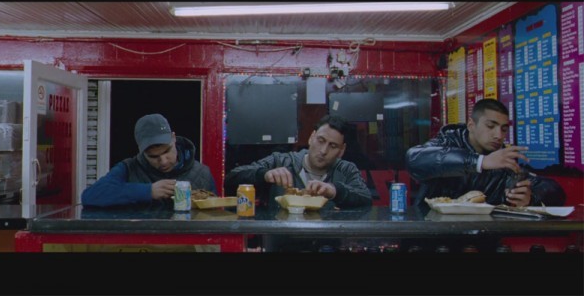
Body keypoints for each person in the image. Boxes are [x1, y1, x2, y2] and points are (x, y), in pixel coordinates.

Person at [406, 98, 565, 207]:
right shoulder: (448, 141)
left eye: (503, 129)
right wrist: (480, 162)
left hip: (482, 240)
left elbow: (553, 190)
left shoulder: (502, 160)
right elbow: (414, 159)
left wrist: (530, 199)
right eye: (490, 126)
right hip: (433, 237)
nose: (498, 135)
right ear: (471, 125)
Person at [224, 114, 373, 209]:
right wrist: (264, 174)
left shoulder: (346, 169)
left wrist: (334, 191)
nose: (323, 151)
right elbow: (232, 177)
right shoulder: (281, 160)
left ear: (341, 150)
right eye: (321, 141)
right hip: (281, 241)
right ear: (311, 137)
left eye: (333, 146)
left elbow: (365, 198)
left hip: (327, 241)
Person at [81, 113, 216, 207]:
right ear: (141, 150)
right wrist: (147, 191)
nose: (163, 161)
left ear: (174, 138)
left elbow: (215, 216)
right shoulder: (129, 168)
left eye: (166, 151)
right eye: (153, 157)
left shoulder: (202, 173)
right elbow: (90, 196)